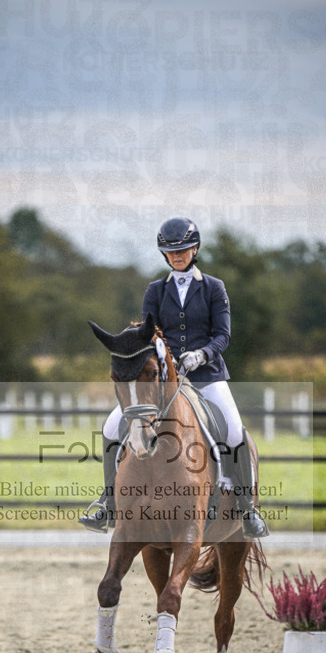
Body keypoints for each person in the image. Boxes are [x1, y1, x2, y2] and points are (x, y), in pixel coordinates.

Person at [79, 216, 269, 538]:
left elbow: (223, 335)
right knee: (112, 426)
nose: (177, 255)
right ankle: (109, 502)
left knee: (235, 431)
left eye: (182, 249)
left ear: (194, 249)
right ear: (164, 254)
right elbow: (148, 333)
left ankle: (247, 508)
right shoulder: (155, 290)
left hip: (207, 376)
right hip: (165, 380)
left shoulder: (213, 288)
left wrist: (203, 354)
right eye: (171, 251)